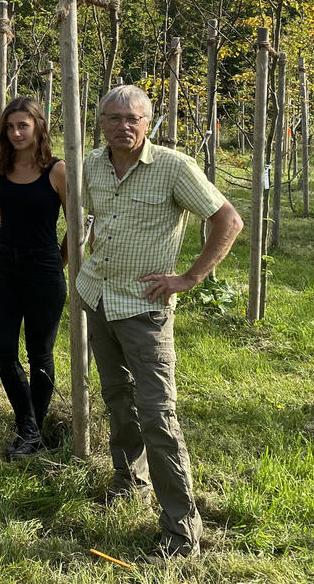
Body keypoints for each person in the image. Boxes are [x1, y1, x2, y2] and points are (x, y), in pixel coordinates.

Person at [77, 85, 242, 562]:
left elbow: (228, 219)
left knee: (158, 414)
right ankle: (129, 482)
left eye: (134, 118)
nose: (123, 126)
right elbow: (84, 215)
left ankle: (181, 529)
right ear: (100, 122)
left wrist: (190, 277)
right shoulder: (90, 163)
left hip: (144, 310)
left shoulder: (173, 166)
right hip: (97, 297)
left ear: (149, 123)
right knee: (116, 397)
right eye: (113, 118)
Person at [0, 97, 68, 461]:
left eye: (23, 125)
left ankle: (31, 431)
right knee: (3, 351)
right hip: (4, 267)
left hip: (44, 269)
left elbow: (80, 223)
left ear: (38, 127)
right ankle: (29, 424)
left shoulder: (57, 170)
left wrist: (58, 261)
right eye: (10, 126)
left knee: (39, 354)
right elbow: (2, 217)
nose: (16, 133)